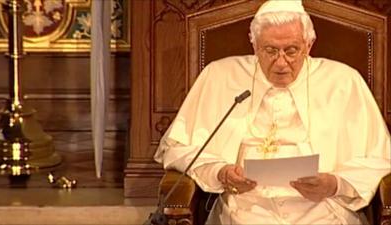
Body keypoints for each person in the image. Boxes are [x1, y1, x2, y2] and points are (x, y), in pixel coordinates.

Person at [154, 0, 391, 224]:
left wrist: (335, 184)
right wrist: (220, 173)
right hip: (245, 208)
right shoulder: (220, 75)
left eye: (291, 50)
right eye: (269, 50)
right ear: (254, 44)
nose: (280, 62)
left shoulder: (342, 81)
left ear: (309, 45)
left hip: (322, 208)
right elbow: (178, 148)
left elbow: (379, 157)